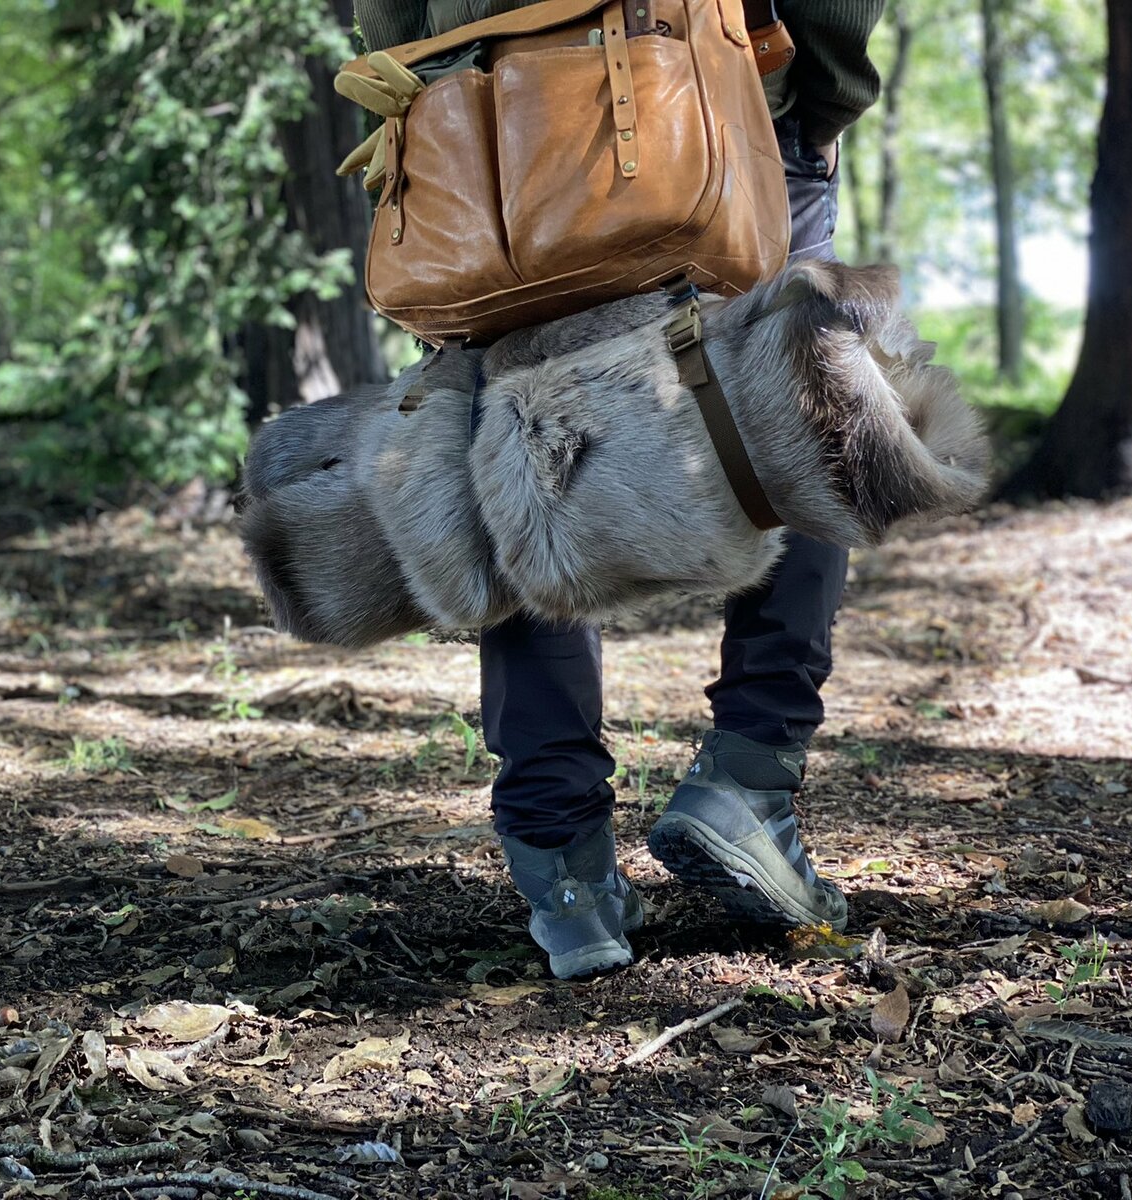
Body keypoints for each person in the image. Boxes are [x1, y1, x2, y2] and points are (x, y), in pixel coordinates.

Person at [352, 0, 887, 979]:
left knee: (521, 431)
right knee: (801, 403)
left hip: (476, 111)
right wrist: (823, 91)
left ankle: (562, 869)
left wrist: (417, 95)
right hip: (711, 92)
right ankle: (749, 780)